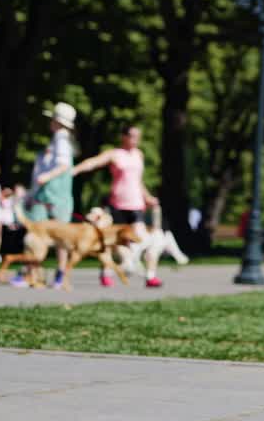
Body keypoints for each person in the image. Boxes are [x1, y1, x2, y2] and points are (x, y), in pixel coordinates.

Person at [70, 124, 161, 287]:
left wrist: (147, 197)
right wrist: (74, 170)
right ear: (124, 137)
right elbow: (93, 162)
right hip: (117, 205)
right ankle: (106, 273)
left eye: (138, 136)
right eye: (132, 136)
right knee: (111, 242)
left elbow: (138, 181)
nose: (136, 139)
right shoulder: (115, 154)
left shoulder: (139, 155)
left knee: (144, 239)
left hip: (136, 205)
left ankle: (150, 276)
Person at [16, 102, 78, 288]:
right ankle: (55, 274)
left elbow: (63, 165)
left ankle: (32, 273)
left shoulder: (61, 139)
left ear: (57, 121)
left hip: (52, 194)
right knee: (59, 237)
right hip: (56, 195)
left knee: (39, 233)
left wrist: (46, 177)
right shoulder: (62, 139)